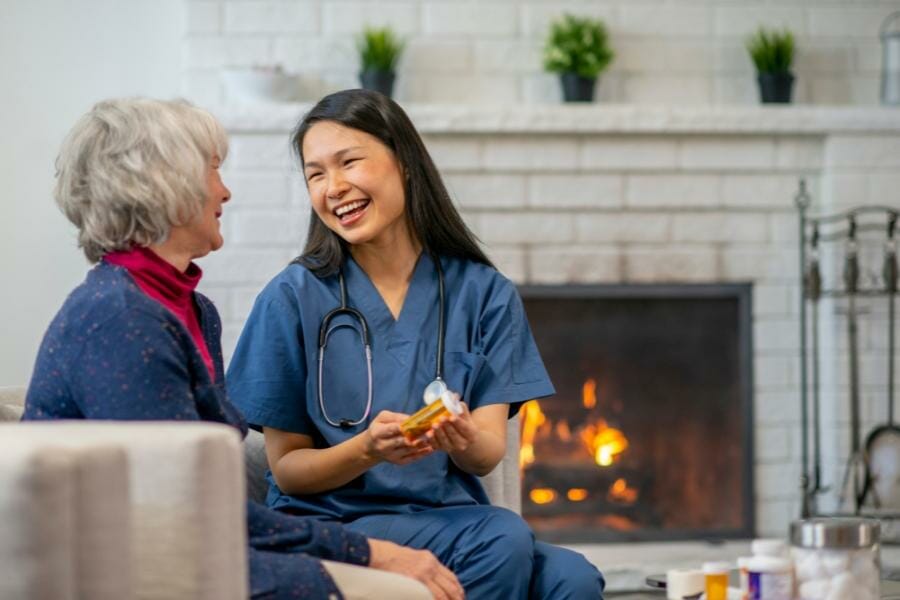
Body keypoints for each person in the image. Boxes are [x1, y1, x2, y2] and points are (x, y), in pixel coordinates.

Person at [22, 97, 463, 600]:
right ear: (167, 181)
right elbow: (182, 502)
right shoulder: (117, 316)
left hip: (192, 543)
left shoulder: (194, 310)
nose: (225, 191)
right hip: (129, 562)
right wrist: (369, 551)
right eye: (213, 170)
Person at [226, 89, 605, 599]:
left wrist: (462, 436)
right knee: (500, 538)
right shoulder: (291, 298)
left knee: (573, 578)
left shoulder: (484, 294)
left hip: (448, 522)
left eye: (349, 162)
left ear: (404, 162)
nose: (333, 187)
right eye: (315, 174)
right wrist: (366, 450)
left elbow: (487, 453)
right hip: (331, 524)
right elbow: (289, 473)